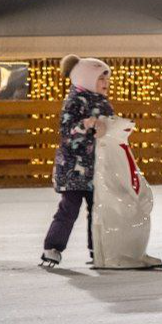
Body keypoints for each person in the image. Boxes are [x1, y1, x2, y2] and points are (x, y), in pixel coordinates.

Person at [41, 55, 114, 266]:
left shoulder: (103, 103)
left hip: (96, 170)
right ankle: (53, 247)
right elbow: (66, 132)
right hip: (73, 169)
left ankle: (98, 250)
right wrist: (85, 124)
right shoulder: (74, 101)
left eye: (106, 79)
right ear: (87, 78)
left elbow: (109, 129)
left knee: (98, 210)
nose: (105, 83)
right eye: (101, 79)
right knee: (69, 209)